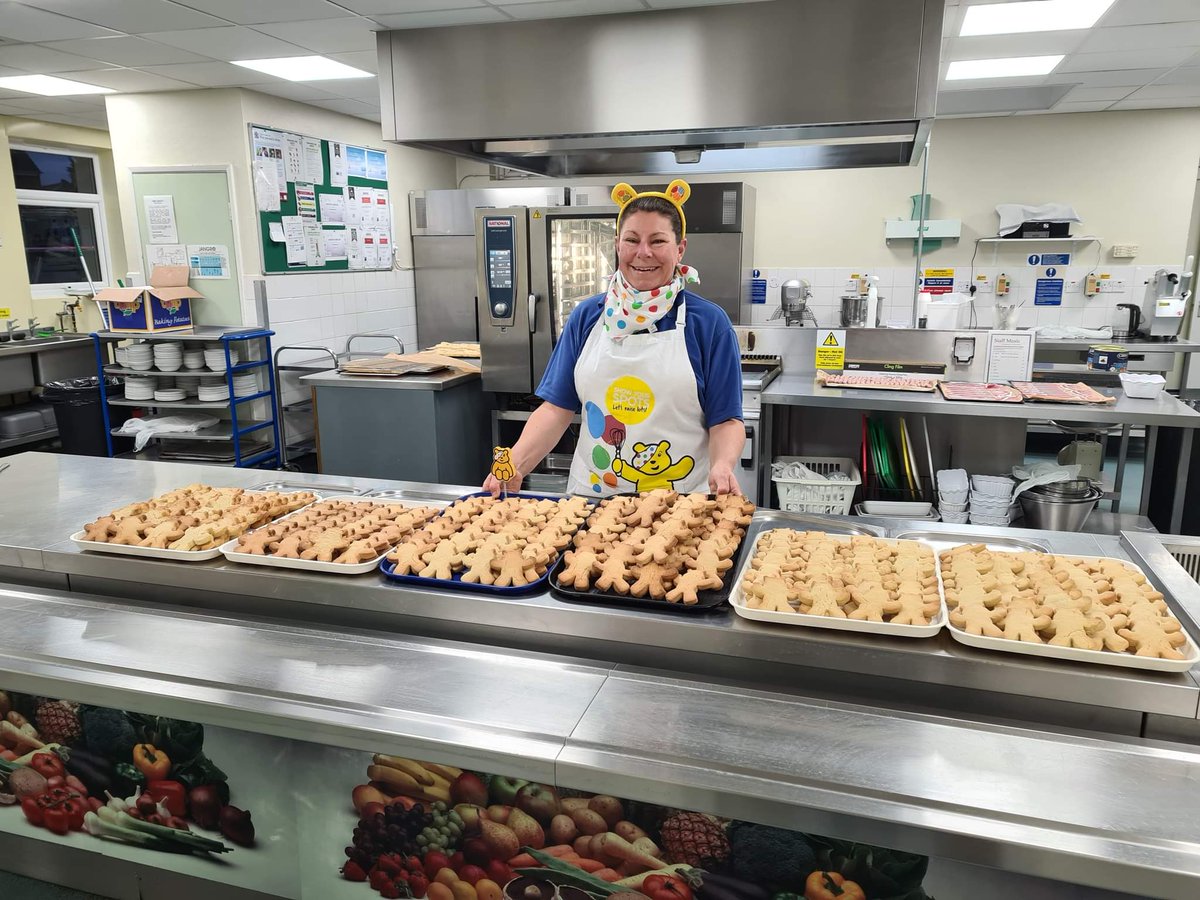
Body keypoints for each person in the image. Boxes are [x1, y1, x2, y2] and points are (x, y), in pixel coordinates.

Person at [484, 179, 745, 498]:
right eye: (632, 240)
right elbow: (556, 410)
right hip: (590, 503)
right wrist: (515, 464)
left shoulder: (707, 323)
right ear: (618, 245)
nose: (643, 253)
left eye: (658, 241)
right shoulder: (588, 315)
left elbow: (726, 421)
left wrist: (723, 466)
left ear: (680, 249)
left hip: (681, 509)